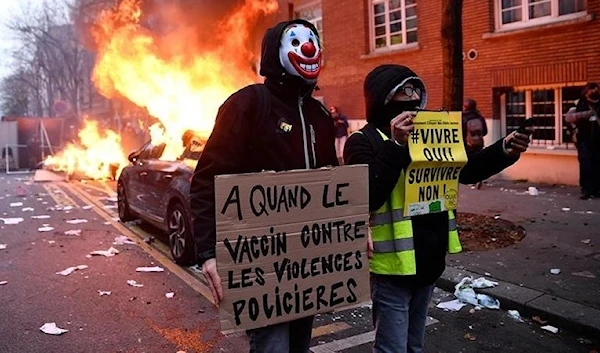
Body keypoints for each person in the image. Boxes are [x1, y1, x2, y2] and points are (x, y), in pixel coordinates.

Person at [343, 64, 532, 353]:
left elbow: (467, 169)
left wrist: (504, 149)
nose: (414, 97)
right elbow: (368, 196)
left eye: (416, 90)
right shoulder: (362, 141)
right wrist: (396, 144)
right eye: (404, 91)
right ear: (383, 98)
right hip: (393, 266)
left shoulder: (429, 131)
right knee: (392, 348)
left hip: (430, 260)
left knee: (414, 346)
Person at [190, 19, 337, 353]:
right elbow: (206, 180)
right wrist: (209, 253)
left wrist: (352, 224)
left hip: (309, 262)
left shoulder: (320, 116)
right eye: (297, 42)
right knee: (271, 346)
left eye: (312, 40)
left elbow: (332, 178)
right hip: (261, 266)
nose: (308, 48)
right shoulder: (248, 105)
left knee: (300, 346)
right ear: (276, 52)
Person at [565, 83, 600, 199]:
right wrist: (585, 114)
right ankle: (586, 189)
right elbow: (568, 117)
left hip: (598, 139)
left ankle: (597, 189)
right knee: (586, 165)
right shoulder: (578, 103)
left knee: (597, 164)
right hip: (584, 139)